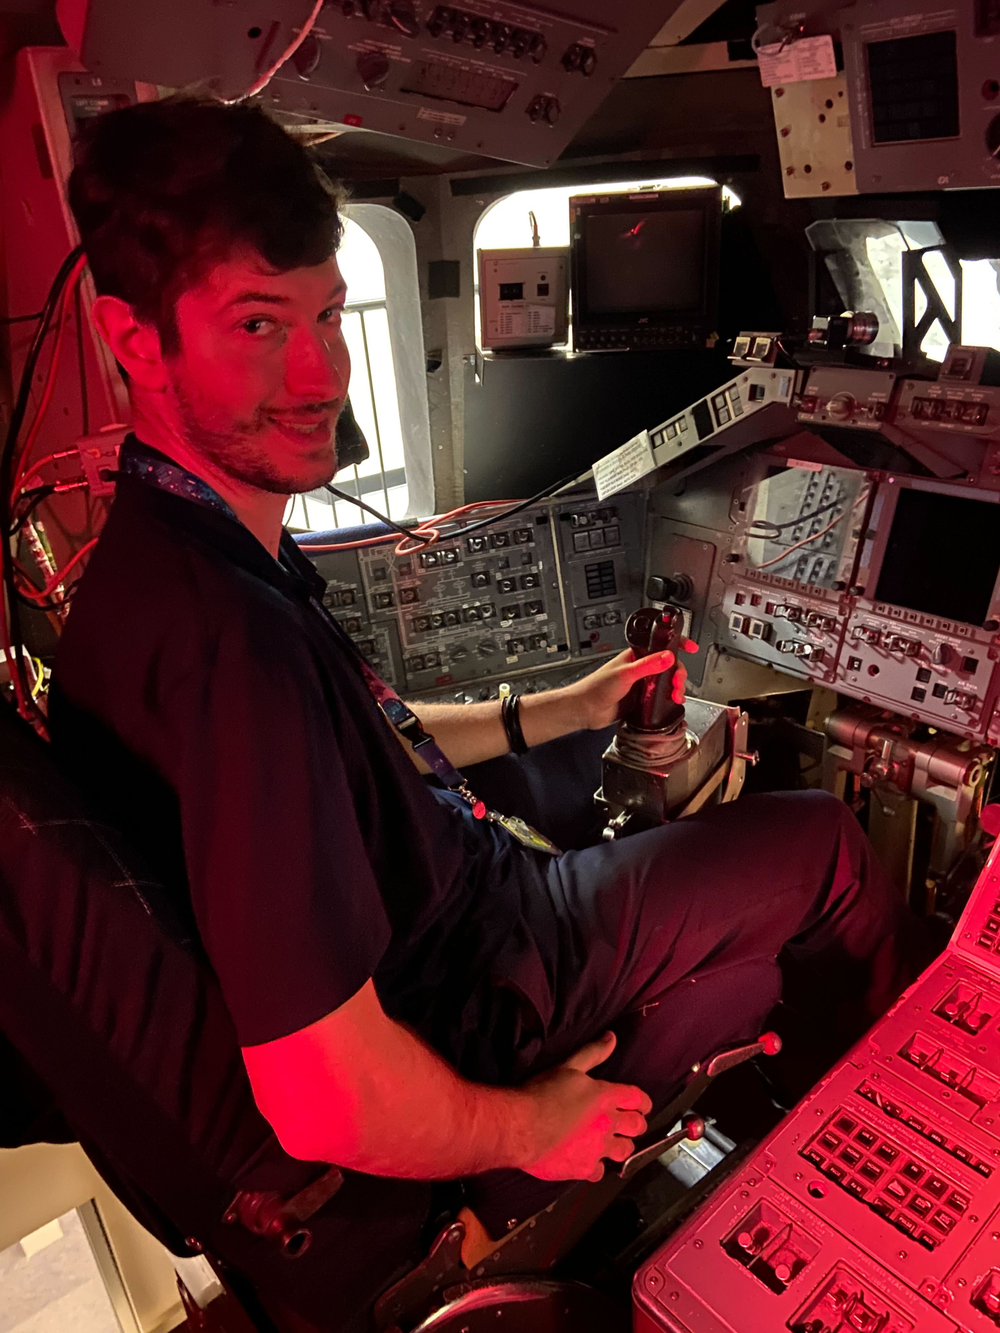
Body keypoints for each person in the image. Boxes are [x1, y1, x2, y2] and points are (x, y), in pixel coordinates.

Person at [51, 96, 922, 1260]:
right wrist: (531, 1127)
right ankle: (858, 1157)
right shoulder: (226, 652)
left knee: (573, 758)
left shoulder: (174, 552)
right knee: (819, 842)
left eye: (330, 312)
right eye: (257, 326)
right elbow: (323, 1094)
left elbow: (368, 743)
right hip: (481, 982)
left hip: (454, 908)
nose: (320, 373)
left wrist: (558, 706)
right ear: (134, 340)